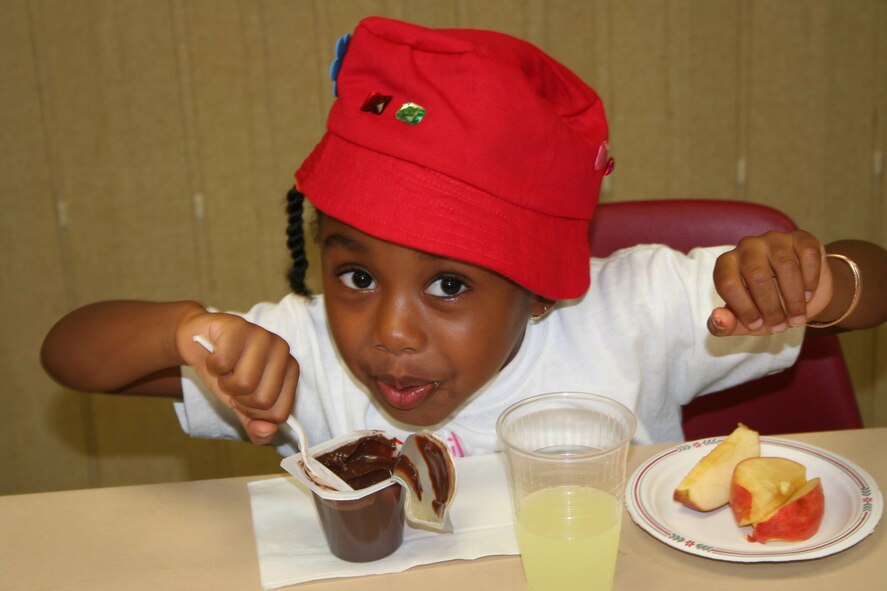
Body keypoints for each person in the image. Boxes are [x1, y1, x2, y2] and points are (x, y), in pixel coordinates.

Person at [41, 17, 887, 457]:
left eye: (448, 284)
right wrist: (186, 332)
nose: (391, 333)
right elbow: (70, 357)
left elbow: (874, 285)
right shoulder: (306, 357)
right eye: (356, 278)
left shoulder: (630, 315)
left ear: (540, 283)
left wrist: (818, 279)